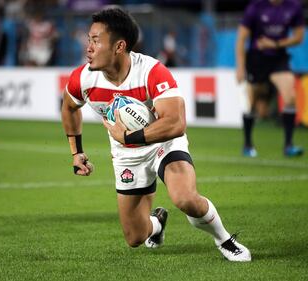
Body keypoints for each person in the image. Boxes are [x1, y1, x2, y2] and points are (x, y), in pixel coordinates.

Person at [61, 7, 251, 262]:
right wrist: (77, 152)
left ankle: (224, 239)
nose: (89, 47)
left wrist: (129, 137)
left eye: (96, 40)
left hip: (164, 143)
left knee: (184, 198)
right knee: (135, 237)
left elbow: (175, 123)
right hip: (126, 156)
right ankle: (158, 223)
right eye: (89, 40)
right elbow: (69, 106)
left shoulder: (151, 72)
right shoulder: (83, 79)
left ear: (119, 46)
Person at [235, 0, 304, 157]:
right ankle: (247, 144)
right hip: (257, 60)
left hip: (279, 59)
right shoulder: (255, 7)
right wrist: (240, 67)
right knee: (252, 103)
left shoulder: (294, 6)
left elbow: (299, 37)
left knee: (290, 98)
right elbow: (241, 38)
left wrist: (276, 44)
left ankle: (288, 145)